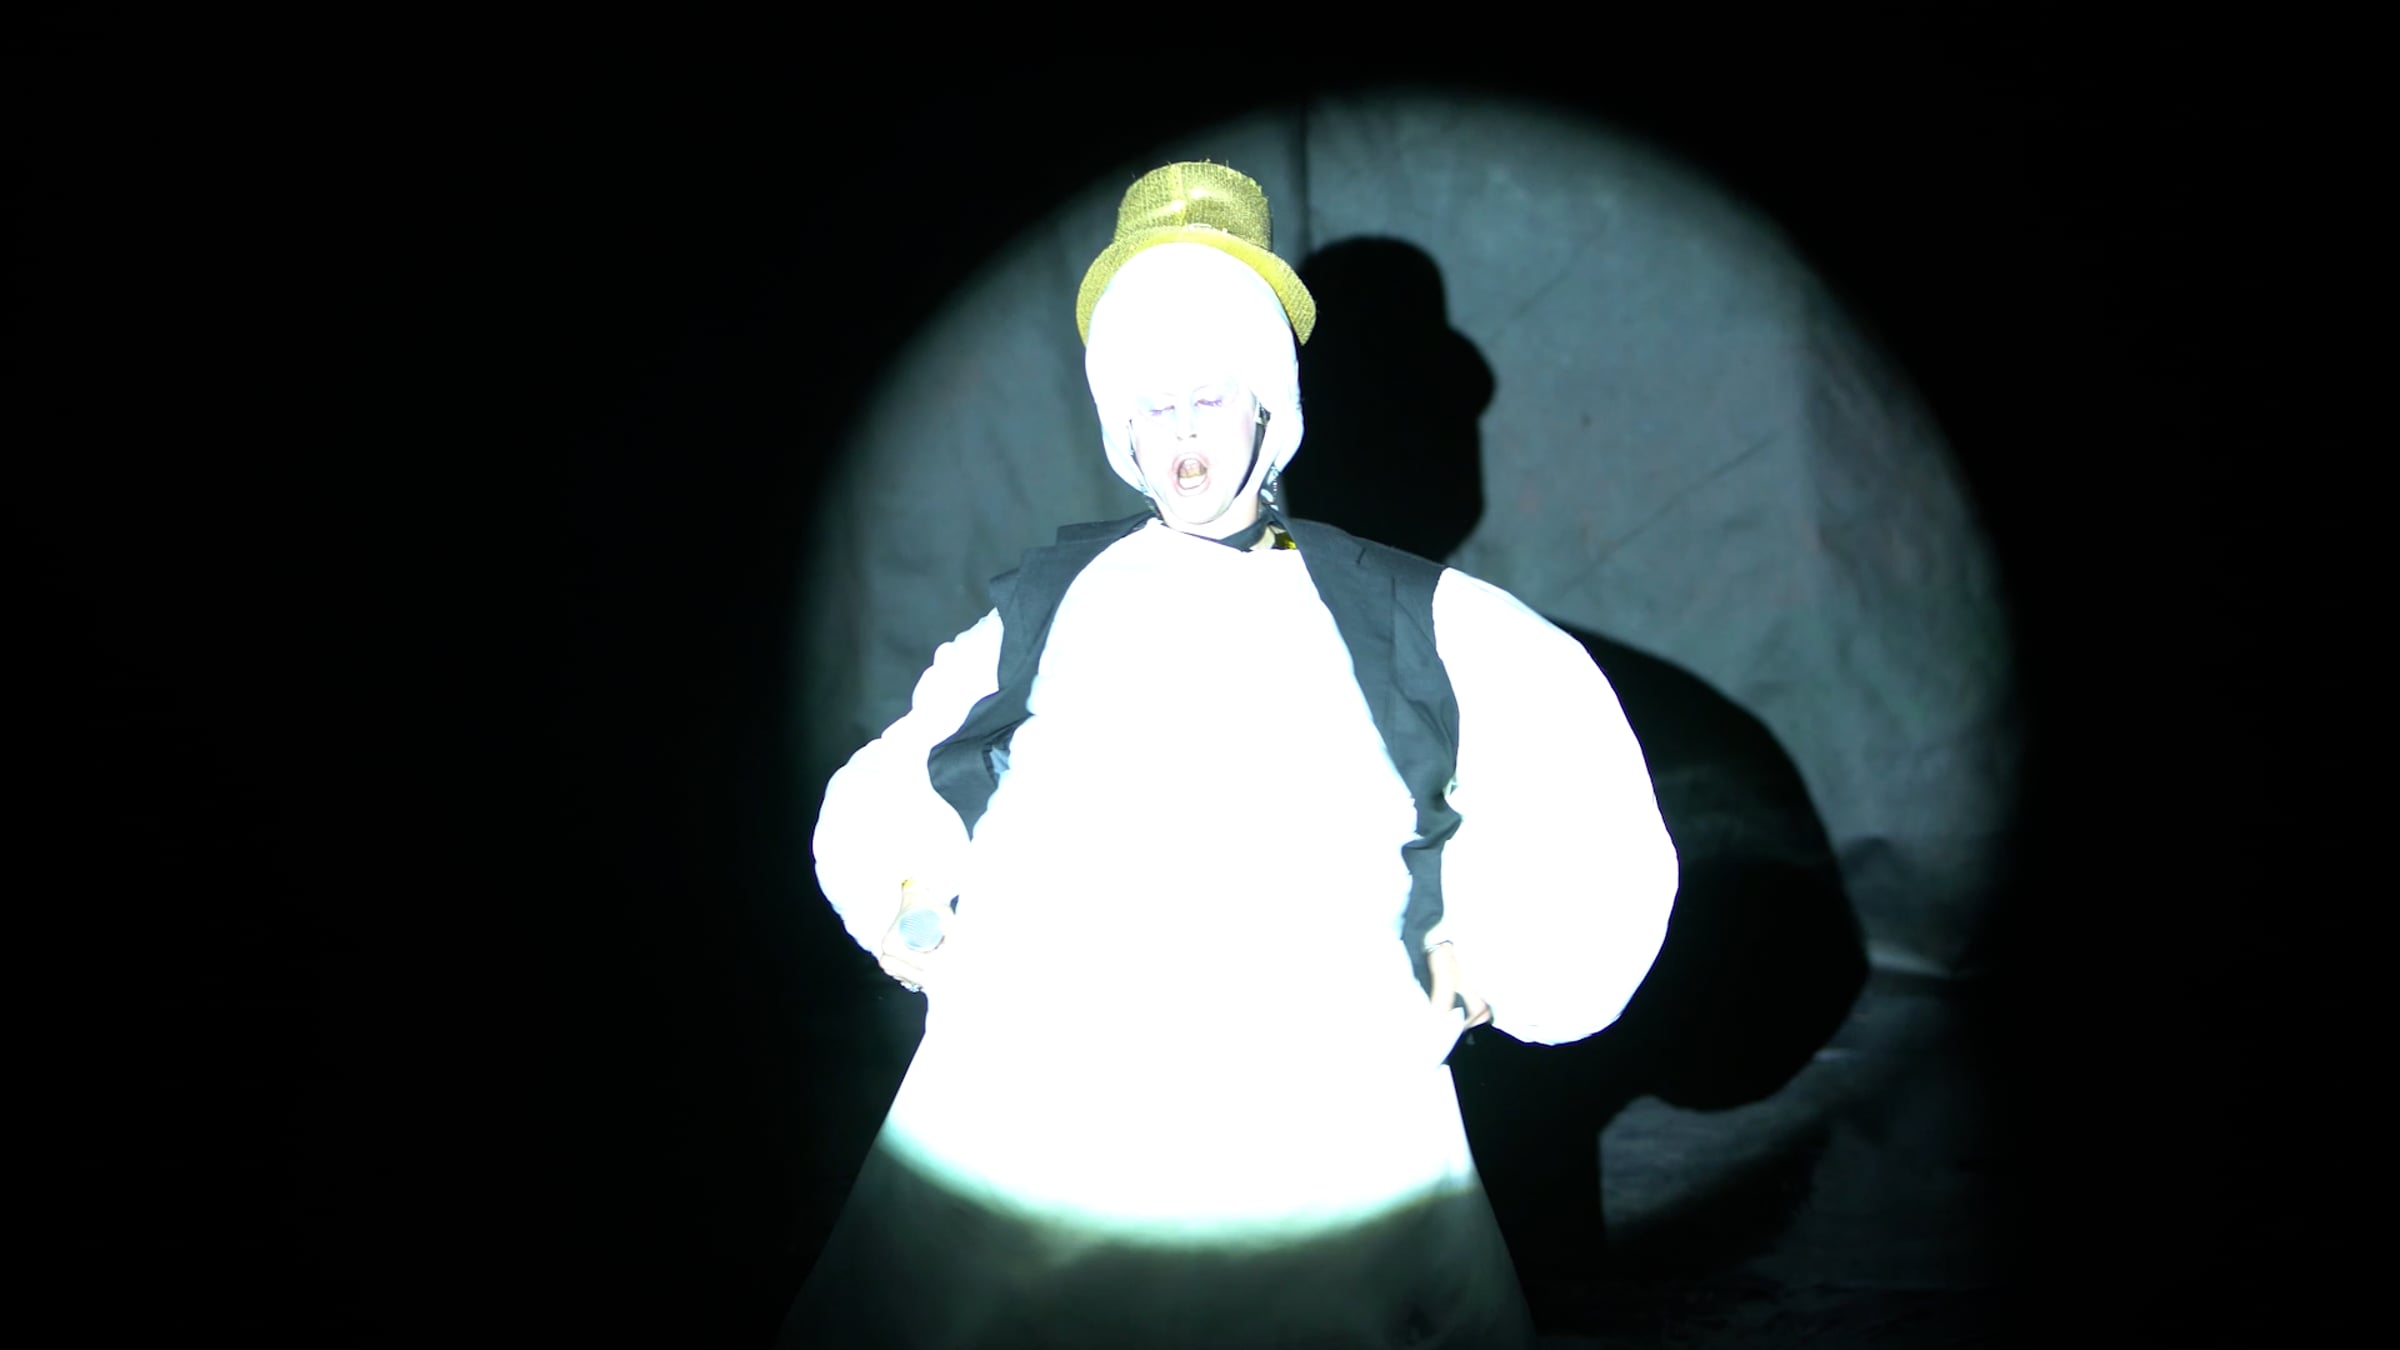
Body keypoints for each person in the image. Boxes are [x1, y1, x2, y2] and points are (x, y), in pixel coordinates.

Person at [779, 161, 1678, 1350]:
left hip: (1307, 1105)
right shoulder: (1052, 603)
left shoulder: (1393, 607)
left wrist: (1484, 948)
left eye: (1208, 397)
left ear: (1269, 405)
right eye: (1150, 407)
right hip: (1038, 1091)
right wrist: (911, 891)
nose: (1183, 436)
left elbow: (1569, 773)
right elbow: (918, 766)